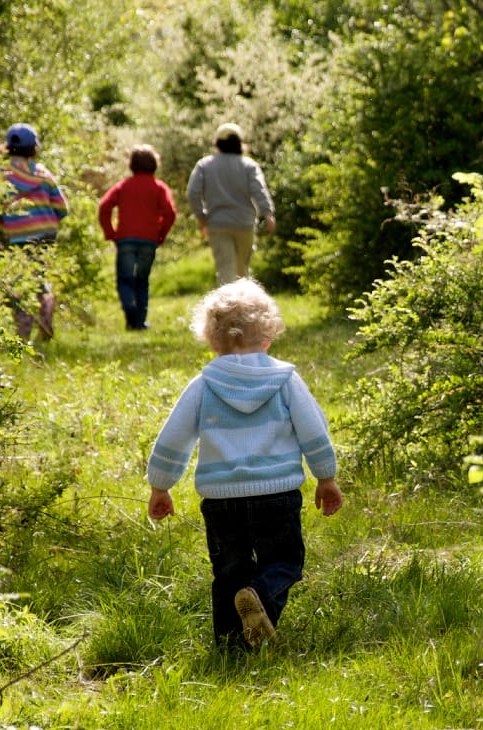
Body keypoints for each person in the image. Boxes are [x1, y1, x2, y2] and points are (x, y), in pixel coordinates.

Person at [145, 278, 343, 650]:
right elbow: (313, 429)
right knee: (284, 561)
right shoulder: (286, 380)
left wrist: (161, 485)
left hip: (221, 502)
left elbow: (174, 438)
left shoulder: (203, 385)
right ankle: (260, 596)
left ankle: (230, 648)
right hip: (277, 494)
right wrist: (325, 477)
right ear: (268, 337)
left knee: (228, 573)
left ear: (211, 341)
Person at [0, 122, 68, 341]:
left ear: (8, 147)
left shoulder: (1, 174)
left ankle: (23, 331)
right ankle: (46, 311)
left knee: (19, 280)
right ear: (34, 148)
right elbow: (61, 207)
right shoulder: (43, 173)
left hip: (20, 235)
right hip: (47, 234)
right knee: (39, 276)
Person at [98, 144, 177, 330]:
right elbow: (170, 213)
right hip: (149, 239)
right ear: (154, 164)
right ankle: (140, 322)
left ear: (132, 165)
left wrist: (110, 232)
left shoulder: (123, 186)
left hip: (125, 238)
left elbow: (104, 206)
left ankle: (130, 311)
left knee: (125, 279)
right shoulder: (159, 188)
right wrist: (161, 234)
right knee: (142, 280)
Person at [186, 123, 276, 286]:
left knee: (225, 270)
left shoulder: (205, 165)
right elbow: (259, 190)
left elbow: (192, 193)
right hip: (244, 223)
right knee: (242, 271)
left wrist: (202, 217)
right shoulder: (249, 165)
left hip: (217, 223)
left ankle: (226, 309)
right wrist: (268, 214)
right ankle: (243, 309)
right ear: (239, 143)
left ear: (217, 142)